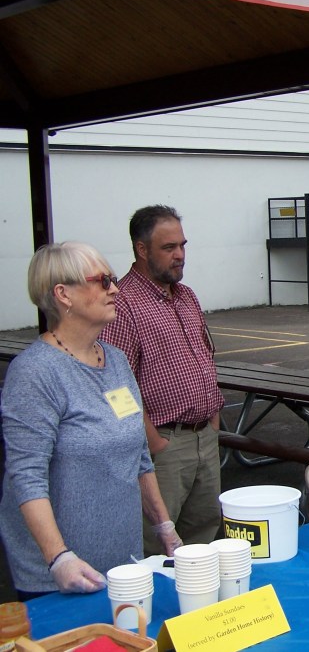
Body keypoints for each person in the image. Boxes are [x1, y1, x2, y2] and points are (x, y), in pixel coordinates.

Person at [0, 242, 181, 600]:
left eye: (112, 279)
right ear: (63, 294)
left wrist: (165, 528)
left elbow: (140, 456)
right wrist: (58, 558)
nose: (115, 289)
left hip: (123, 565)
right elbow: (26, 475)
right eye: (103, 280)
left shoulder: (115, 360)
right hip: (60, 579)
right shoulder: (35, 373)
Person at [100, 205, 224, 554]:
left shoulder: (186, 297)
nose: (180, 255)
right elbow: (115, 388)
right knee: (158, 544)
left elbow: (205, 357)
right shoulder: (122, 304)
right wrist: (154, 441)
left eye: (183, 245)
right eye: (169, 248)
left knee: (203, 538)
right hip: (165, 446)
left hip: (205, 438)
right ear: (142, 250)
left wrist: (212, 420)